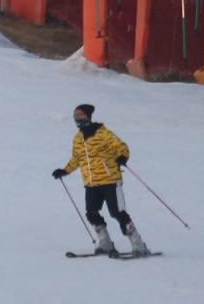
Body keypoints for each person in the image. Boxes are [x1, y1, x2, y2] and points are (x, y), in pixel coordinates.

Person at [53, 103, 150, 256]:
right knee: (91, 213)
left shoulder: (103, 133)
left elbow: (121, 146)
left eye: (80, 115)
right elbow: (77, 159)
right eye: (75, 116)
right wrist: (64, 170)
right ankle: (105, 243)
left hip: (110, 180)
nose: (77, 118)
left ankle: (138, 244)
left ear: (88, 116)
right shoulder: (78, 139)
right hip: (91, 183)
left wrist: (122, 156)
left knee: (117, 212)